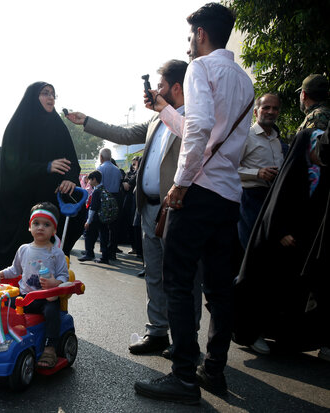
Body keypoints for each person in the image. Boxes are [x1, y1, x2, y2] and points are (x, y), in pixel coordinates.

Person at [133, 3, 254, 404]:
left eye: (190, 36)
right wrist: (165, 109)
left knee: (178, 283)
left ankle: (183, 376)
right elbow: (205, 132)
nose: (188, 45)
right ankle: (212, 371)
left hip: (199, 190)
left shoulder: (201, 69)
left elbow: (199, 131)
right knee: (219, 288)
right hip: (228, 195)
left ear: (201, 33)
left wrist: (180, 185)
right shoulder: (245, 81)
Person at [67, 59, 202, 357]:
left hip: (177, 210)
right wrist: (86, 121)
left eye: (161, 85)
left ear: (176, 88)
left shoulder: (193, 119)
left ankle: (186, 337)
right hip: (149, 209)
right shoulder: (156, 120)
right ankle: (157, 332)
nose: (155, 91)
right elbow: (124, 134)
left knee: (185, 277)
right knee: (154, 272)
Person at [233, 125, 330, 362]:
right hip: (276, 243)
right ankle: (252, 333)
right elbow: (276, 208)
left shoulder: (322, 173)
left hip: (303, 246)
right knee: (262, 287)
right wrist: (281, 232)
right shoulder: (294, 168)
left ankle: (294, 339)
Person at [0, 82, 85, 273]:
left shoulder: (58, 127)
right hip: (20, 209)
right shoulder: (17, 126)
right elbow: (11, 166)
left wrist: (70, 178)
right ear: (33, 98)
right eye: (45, 93)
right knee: (17, 265)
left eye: (53, 94)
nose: (50, 98)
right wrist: (46, 167)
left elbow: (71, 163)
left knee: (47, 267)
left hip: (49, 206)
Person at [0, 202, 69, 368]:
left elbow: (64, 276)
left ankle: (50, 348)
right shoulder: (24, 249)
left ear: (54, 231)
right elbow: (15, 269)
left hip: (46, 298)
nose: (40, 228)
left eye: (46, 225)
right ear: (29, 227)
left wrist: (55, 282)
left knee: (52, 312)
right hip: (24, 298)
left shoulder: (56, 253)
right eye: (36, 223)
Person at [238, 94, 284, 250]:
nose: (271, 112)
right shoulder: (245, 136)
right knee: (253, 247)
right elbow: (229, 168)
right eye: (266, 107)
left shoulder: (277, 139)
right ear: (256, 112)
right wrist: (257, 173)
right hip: (251, 199)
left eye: (275, 108)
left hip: (273, 198)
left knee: (271, 247)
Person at [78, 170, 110, 263]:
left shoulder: (96, 192)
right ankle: (105, 257)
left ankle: (89, 254)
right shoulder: (104, 189)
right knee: (104, 237)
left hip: (95, 218)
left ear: (94, 179)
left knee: (89, 235)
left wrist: (88, 221)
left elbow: (93, 208)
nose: (88, 182)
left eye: (90, 180)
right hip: (103, 217)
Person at [97, 149, 122, 259]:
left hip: (104, 199)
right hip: (116, 199)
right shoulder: (117, 170)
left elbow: (98, 187)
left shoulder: (100, 169)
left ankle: (104, 253)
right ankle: (113, 252)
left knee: (103, 227)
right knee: (114, 227)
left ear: (101, 157)